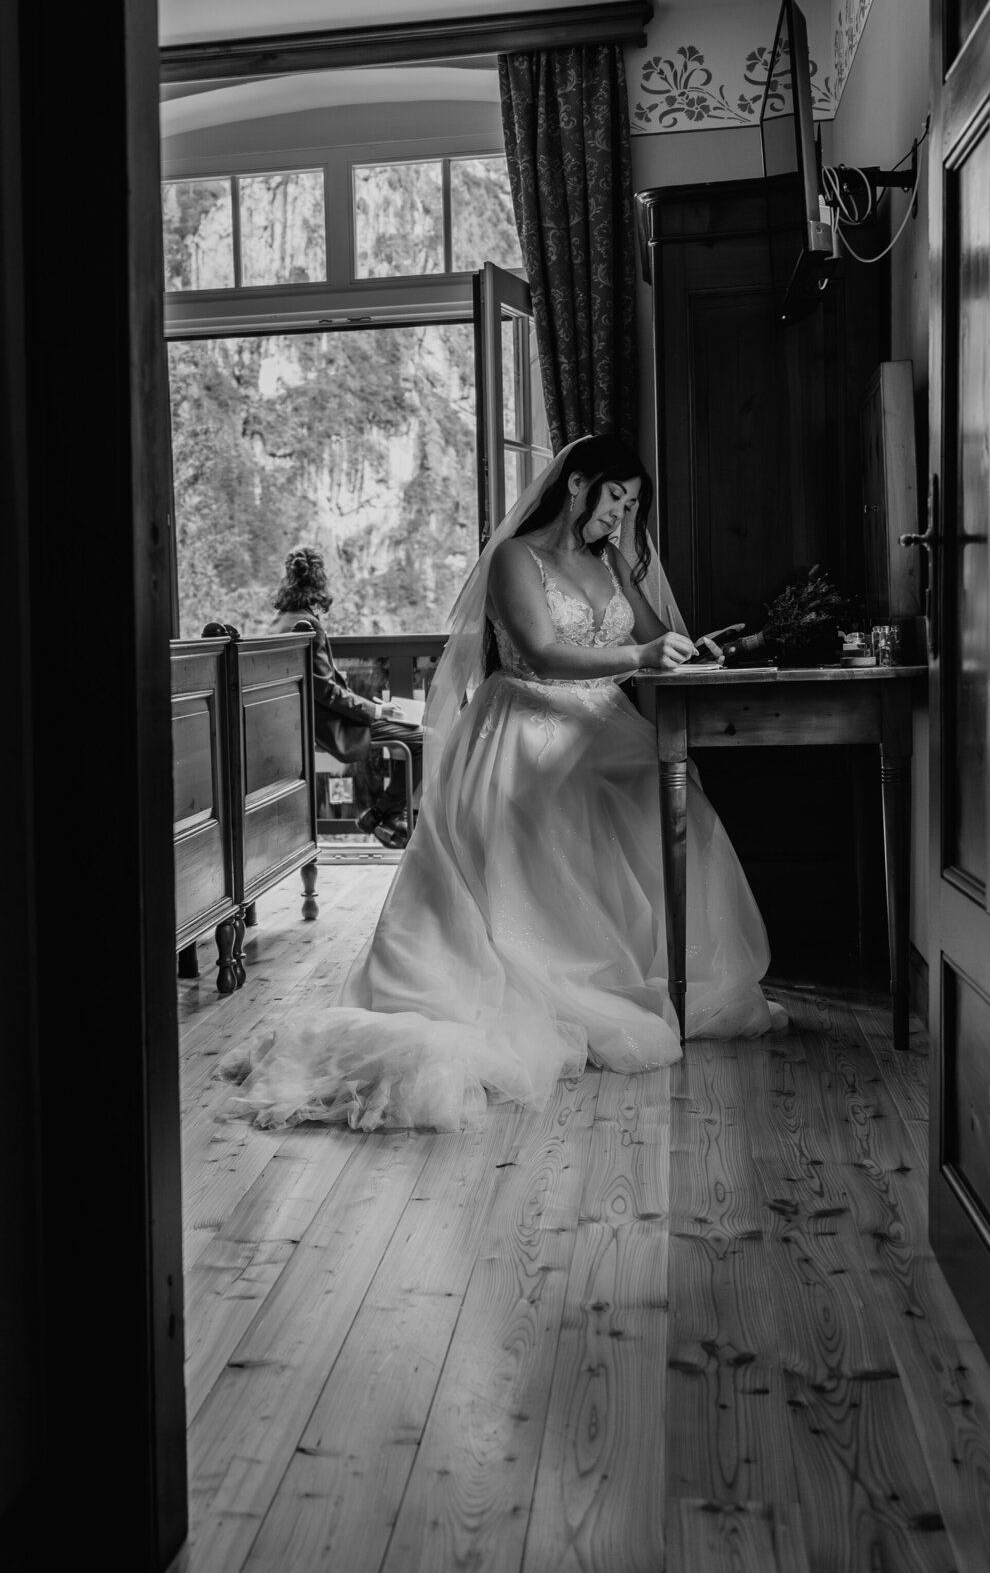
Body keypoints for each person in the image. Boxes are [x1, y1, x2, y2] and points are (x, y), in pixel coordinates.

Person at [225, 436, 786, 1133]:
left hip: (605, 724)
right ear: (578, 483)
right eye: (616, 496)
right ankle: (552, 980)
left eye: (635, 504)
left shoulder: (611, 559)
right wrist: (639, 652)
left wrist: (681, 650)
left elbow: (649, 638)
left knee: (680, 807)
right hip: (526, 723)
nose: (623, 514)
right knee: (556, 823)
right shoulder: (516, 559)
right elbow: (547, 655)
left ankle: (657, 979)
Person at [269, 546, 421, 847]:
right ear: (320, 585)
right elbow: (326, 691)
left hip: (303, 722)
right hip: (329, 725)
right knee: (426, 738)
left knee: (415, 732)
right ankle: (384, 814)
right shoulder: (307, 626)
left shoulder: (279, 622)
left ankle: (385, 817)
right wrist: (377, 712)